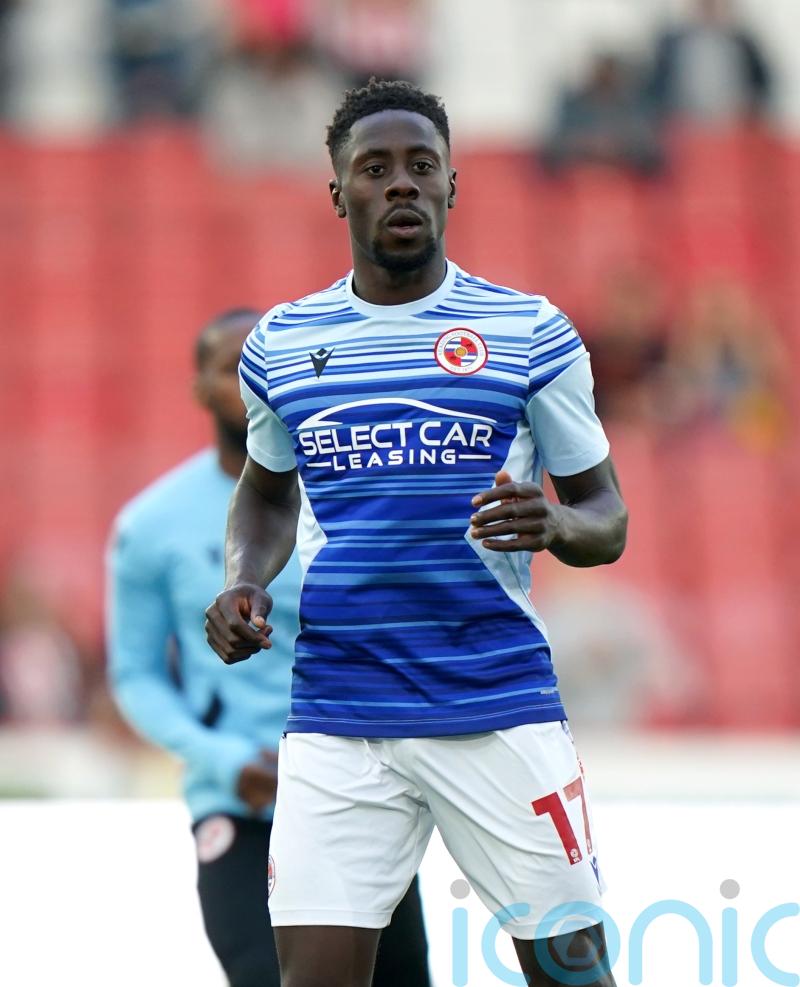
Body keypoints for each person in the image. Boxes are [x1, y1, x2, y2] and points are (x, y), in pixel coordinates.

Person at [205, 80, 628, 987]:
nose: (400, 184)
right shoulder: (281, 344)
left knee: (574, 977)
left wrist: (554, 521)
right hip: (338, 712)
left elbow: (607, 515)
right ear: (338, 192)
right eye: (374, 168)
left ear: (451, 187)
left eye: (421, 167)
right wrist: (246, 577)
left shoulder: (530, 333)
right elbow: (267, 495)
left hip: (495, 703)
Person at [106, 308, 431, 987]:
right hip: (239, 800)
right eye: (231, 367)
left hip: (355, 789)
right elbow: (135, 674)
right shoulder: (151, 524)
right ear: (199, 388)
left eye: (266, 361)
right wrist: (223, 758)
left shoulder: (349, 493)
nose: (253, 380)